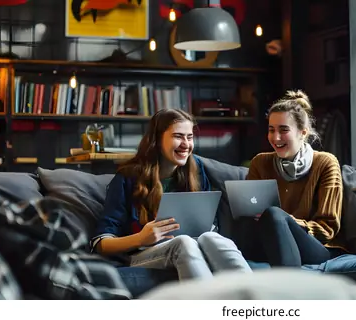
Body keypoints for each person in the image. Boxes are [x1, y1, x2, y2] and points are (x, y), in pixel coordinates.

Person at [90, 109, 252, 281]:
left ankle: (255, 300)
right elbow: (100, 243)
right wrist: (140, 238)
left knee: (213, 238)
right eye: (178, 136)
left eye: (189, 137)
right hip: (142, 253)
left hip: (193, 244)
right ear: (157, 140)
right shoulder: (127, 178)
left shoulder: (196, 169)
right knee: (183, 243)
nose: (186, 144)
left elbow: (207, 225)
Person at [234, 90, 344, 267]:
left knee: (273, 214)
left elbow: (327, 228)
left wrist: (284, 222)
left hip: (315, 245)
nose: (275, 138)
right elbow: (248, 210)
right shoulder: (260, 162)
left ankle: (288, 286)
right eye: (271, 130)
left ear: (303, 132)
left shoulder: (325, 162)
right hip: (267, 241)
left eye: (283, 130)